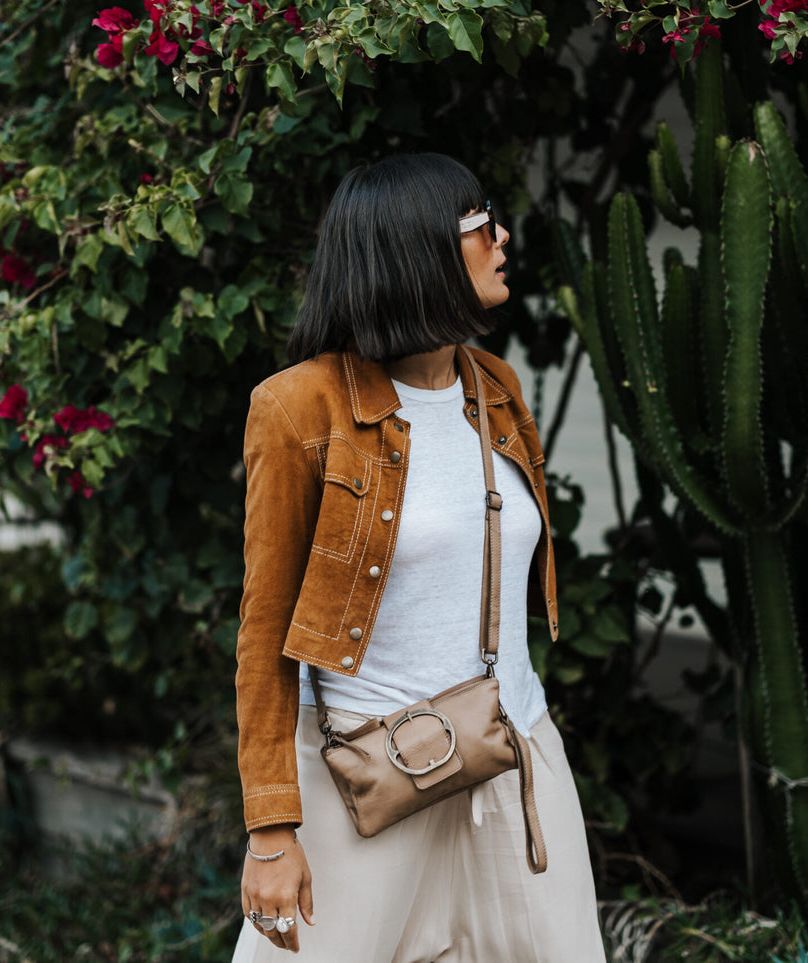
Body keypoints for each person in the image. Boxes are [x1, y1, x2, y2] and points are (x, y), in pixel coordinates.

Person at [231, 153, 606, 961]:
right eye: (479, 225)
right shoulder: (299, 406)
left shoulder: (495, 386)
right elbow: (264, 631)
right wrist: (270, 829)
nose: (502, 238)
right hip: (363, 767)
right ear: (415, 251)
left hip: (512, 750)